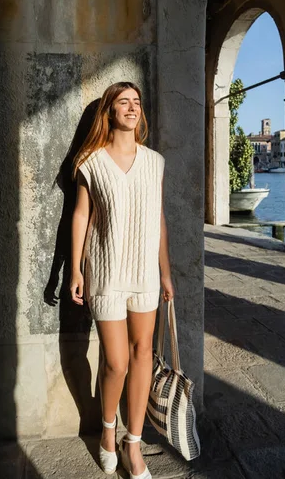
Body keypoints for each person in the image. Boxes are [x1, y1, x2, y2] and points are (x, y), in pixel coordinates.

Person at [70, 81, 174, 479]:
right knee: (115, 362)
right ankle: (107, 430)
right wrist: (76, 268)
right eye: (122, 102)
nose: (131, 108)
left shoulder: (155, 162)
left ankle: (134, 444)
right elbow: (81, 216)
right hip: (106, 272)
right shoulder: (91, 162)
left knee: (142, 352)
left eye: (136, 102)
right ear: (110, 112)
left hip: (145, 273)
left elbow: (159, 220)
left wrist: (165, 272)